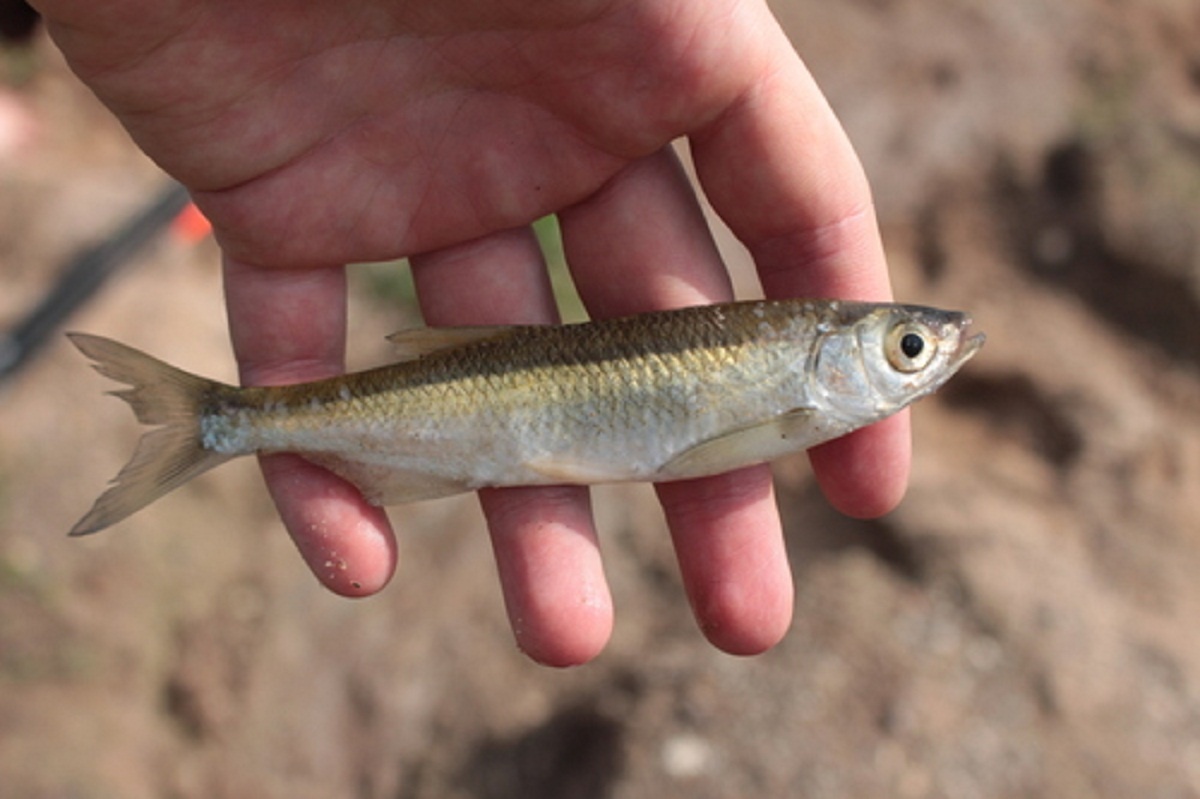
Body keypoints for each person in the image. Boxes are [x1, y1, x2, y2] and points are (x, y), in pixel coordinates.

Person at [33, 0, 909, 666]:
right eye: (906, 349)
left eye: (910, 350)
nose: (917, 360)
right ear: (827, 354)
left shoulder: (803, 386)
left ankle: (225, 421)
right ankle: (221, 421)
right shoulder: (800, 398)